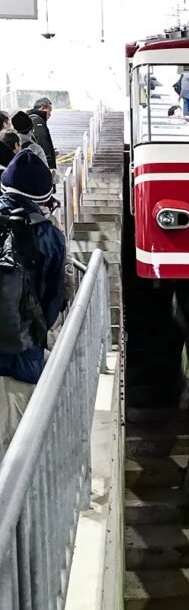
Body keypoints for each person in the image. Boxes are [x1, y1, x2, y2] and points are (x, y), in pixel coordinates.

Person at [0, 150, 66, 457]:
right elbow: (54, 299)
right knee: (18, 455)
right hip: (22, 356)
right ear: (44, 196)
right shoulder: (49, 235)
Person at [29, 97, 57, 171]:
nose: (50, 114)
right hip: (43, 168)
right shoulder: (38, 122)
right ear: (42, 108)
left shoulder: (31, 120)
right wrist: (50, 167)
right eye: (49, 111)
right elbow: (43, 144)